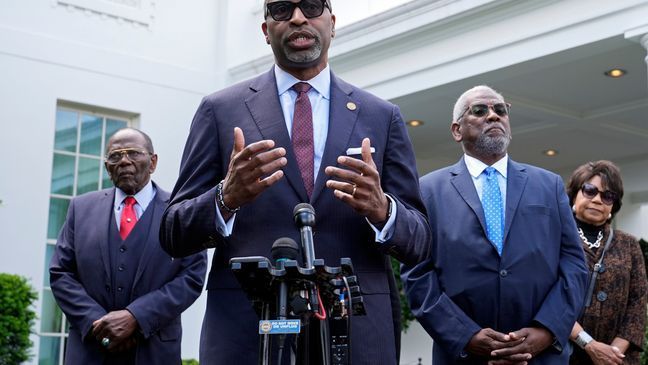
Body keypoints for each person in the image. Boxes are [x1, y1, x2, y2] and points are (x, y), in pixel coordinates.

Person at [159, 0, 430, 363]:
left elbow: (421, 242)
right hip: (247, 337)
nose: (298, 17)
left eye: (311, 6)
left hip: (355, 336)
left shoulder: (381, 116)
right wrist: (226, 198)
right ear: (265, 30)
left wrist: (383, 210)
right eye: (283, 9)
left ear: (332, 23)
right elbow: (173, 233)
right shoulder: (220, 110)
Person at [401, 85, 589, 364]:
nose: (493, 116)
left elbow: (574, 263)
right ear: (457, 130)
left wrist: (547, 329)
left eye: (500, 110)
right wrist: (465, 335)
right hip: (464, 355)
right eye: (479, 110)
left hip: (541, 355)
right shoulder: (428, 191)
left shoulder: (548, 185)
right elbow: (417, 273)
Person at [49, 128, 207, 365]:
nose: (124, 161)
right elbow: (61, 273)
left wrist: (137, 317)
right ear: (106, 167)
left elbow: (192, 276)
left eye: (133, 153)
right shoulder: (80, 209)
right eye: (115, 156)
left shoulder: (181, 210)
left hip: (154, 351)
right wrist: (99, 324)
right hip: (90, 351)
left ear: (153, 162)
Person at [566, 160, 647, 365]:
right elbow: (544, 297)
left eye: (607, 195)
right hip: (565, 354)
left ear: (614, 204)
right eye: (590, 190)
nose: (597, 200)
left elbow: (638, 303)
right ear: (574, 194)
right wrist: (589, 344)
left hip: (618, 359)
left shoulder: (628, 244)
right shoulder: (555, 238)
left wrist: (614, 352)